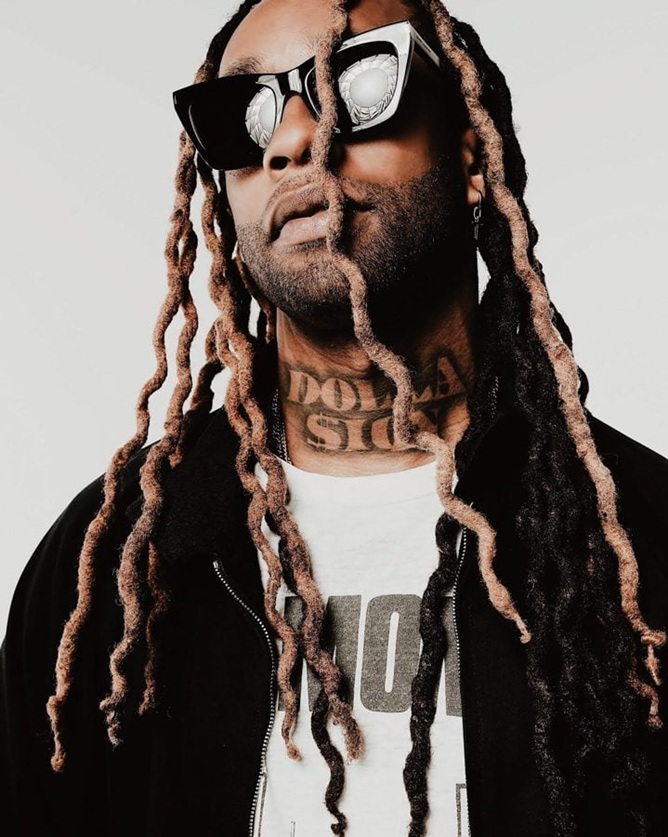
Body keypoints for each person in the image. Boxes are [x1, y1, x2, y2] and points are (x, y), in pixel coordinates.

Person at [2, 0, 667, 835]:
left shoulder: (643, 538)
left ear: (471, 153)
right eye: (243, 114)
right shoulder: (114, 566)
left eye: (357, 80)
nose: (292, 139)